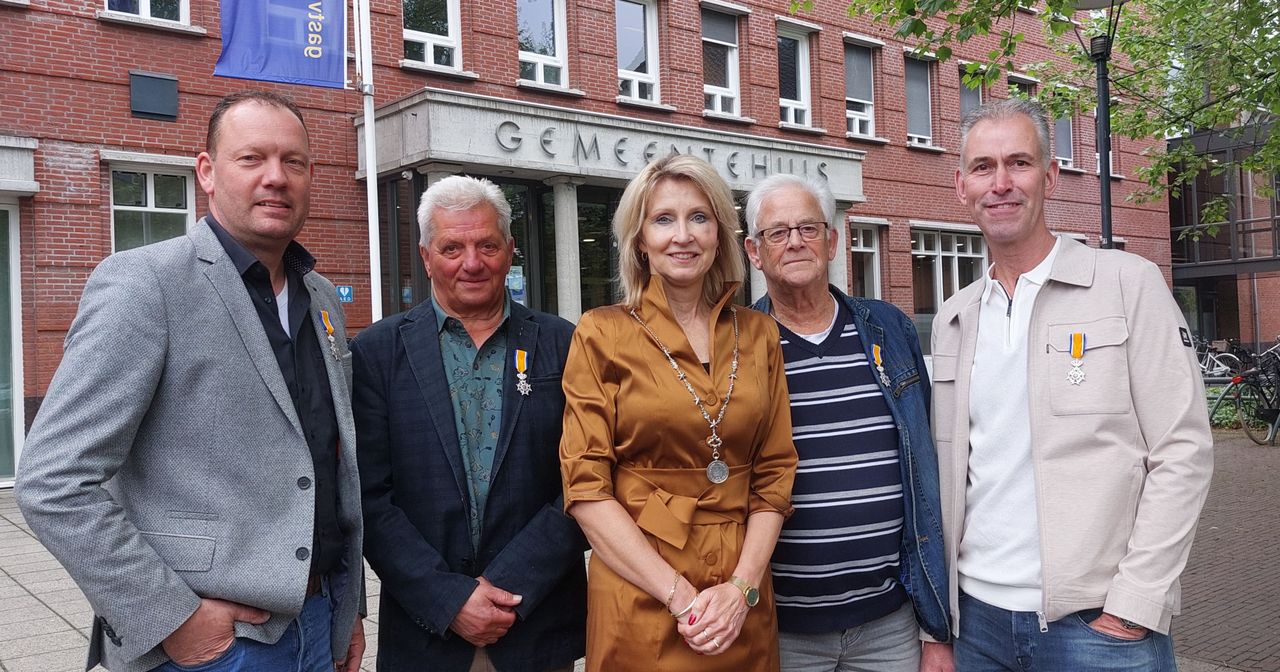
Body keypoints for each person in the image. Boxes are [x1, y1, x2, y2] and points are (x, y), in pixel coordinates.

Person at [15, 90, 365, 672]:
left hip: (320, 623)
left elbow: (326, 468)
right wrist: (171, 618)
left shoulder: (322, 298)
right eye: (251, 159)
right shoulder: (145, 285)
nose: (275, 178)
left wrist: (345, 606)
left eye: (293, 162)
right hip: (214, 647)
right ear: (207, 172)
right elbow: (53, 480)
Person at [929, 98, 1213, 670]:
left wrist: (1134, 604)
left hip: (1096, 628)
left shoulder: (1127, 285)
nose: (1001, 183)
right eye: (984, 167)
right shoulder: (954, 318)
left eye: (1019, 163)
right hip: (977, 624)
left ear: (1051, 175)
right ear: (961, 186)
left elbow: (1183, 450)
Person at [560, 154, 797, 671]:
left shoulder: (759, 334)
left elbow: (776, 472)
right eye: (663, 219)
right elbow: (586, 487)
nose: (682, 235)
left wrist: (741, 589)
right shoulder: (601, 333)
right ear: (640, 240)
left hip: (742, 594)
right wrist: (682, 598)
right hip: (642, 591)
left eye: (699, 217)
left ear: (720, 234)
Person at [351, 174, 587, 672]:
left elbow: (585, 481)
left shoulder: (565, 345)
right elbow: (368, 495)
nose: (472, 263)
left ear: (511, 250)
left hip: (537, 625)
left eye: (487, 245)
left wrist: (512, 586)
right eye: (452, 247)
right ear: (426, 255)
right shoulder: (377, 353)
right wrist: (447, 598)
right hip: (425, 633)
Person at [743, 173, 952, 672]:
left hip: (890, 624)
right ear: (754, 251)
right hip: (782, 628)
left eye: (808, 228)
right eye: (778, 232)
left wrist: (934, 629)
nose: (795, 241)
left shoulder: (889, 328)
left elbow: (927, 470)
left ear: (832, 240)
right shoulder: (737, 345)